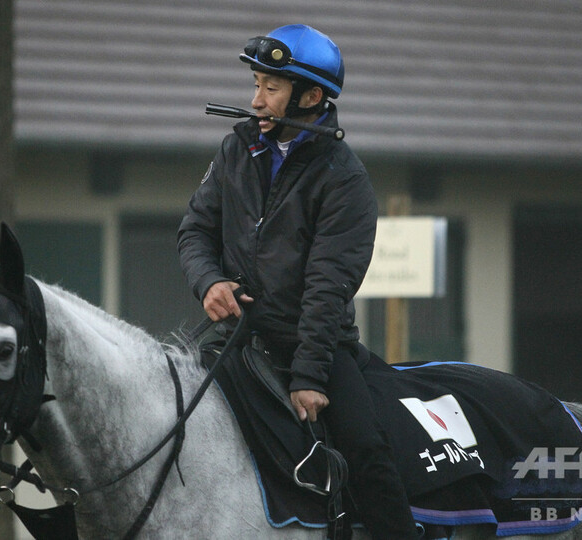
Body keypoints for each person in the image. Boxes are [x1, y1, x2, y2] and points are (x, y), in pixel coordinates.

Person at [177, 24, 420, 539]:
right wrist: (210, 283)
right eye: (257, 84)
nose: (255, 100)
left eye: (271, 88)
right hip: (237, 342)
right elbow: (195, 230)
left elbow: (328, 287)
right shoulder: (234, 149)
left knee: (369, 454)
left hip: (316, 349)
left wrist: (308, 375)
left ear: (311, 97)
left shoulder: (345, 178)